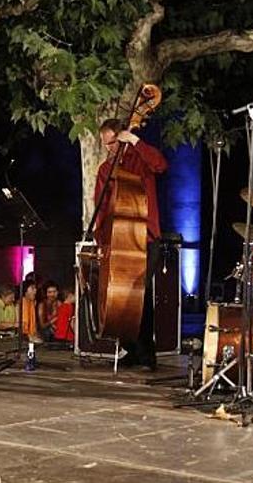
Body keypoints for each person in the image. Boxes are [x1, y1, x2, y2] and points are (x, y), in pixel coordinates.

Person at [93, 118, 168, 370]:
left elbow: (160, 165)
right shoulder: (105, 169)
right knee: (120, 298)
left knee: (140, 296)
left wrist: (135, 141)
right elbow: (101, 207)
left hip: (145, 237)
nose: (109, 149)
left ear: (122, 137)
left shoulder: (140, 160)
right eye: (106, 145)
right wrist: (101, 239)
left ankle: (147, 353)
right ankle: (132, 349)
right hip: (118, 240)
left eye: (113, 143)